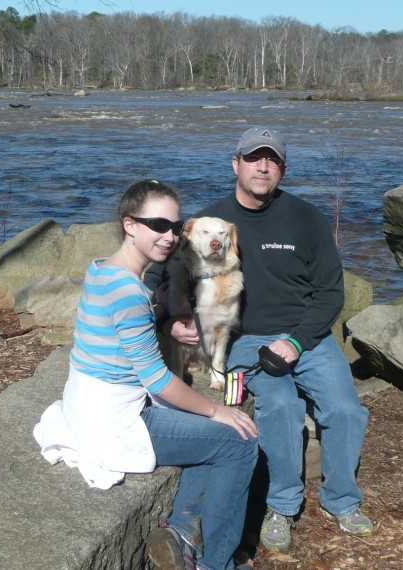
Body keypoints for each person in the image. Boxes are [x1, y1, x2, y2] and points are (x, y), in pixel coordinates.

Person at [152, 128, 373, 554]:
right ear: (236, 164)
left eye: (272, 160)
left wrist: (297, 341)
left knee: (346, 408)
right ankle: (282, 505)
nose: (263, 166)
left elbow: (331, 293)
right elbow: (165, 276)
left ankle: (342, 500)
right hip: (245, 339)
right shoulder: (209, 223)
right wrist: (168, 323)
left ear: (282, 169)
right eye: (254, 157)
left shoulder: (306, 218)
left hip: (306, 336)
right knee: (280, 404)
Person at [34, 179, 259, 570]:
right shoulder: (129, 290)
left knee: (209, 435)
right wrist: (215, 410)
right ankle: (216, 563)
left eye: (175, 226)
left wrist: (163, 318)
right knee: (237, 442)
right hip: (114, 418)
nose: (169, 236)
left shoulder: (103, 270)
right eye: (157, 224)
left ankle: (183, 531)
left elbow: (122, 326)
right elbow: (157, 381)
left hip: (87, 401)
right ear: (130, 225)